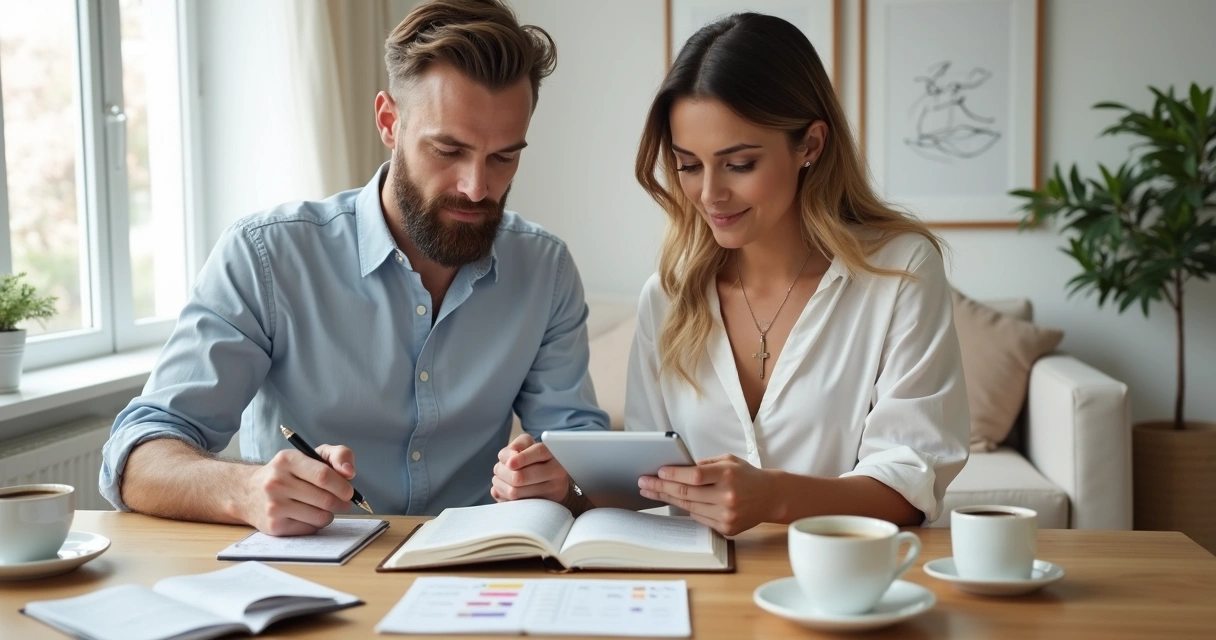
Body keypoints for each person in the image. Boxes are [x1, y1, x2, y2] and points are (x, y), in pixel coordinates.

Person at [100, 0, 606, 536]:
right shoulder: (266, 256)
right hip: (311, 571)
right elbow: (136, 457)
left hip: (473, 567)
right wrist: (245, 490)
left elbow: (587, 469)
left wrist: (564, 485)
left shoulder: (545, 269)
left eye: (503, 157)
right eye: (447, 150)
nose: (477, 187)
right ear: (389, 121)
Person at [626, 13, 970, 535]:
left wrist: (774, 497)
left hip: (842, 574)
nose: (710, 194)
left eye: (739, 164)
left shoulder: (900, 271)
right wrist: (568, 487)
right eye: (689, 165)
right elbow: (642, 480)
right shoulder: (666, 297)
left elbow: (911, 484)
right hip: (694, 577)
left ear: (810, 144)